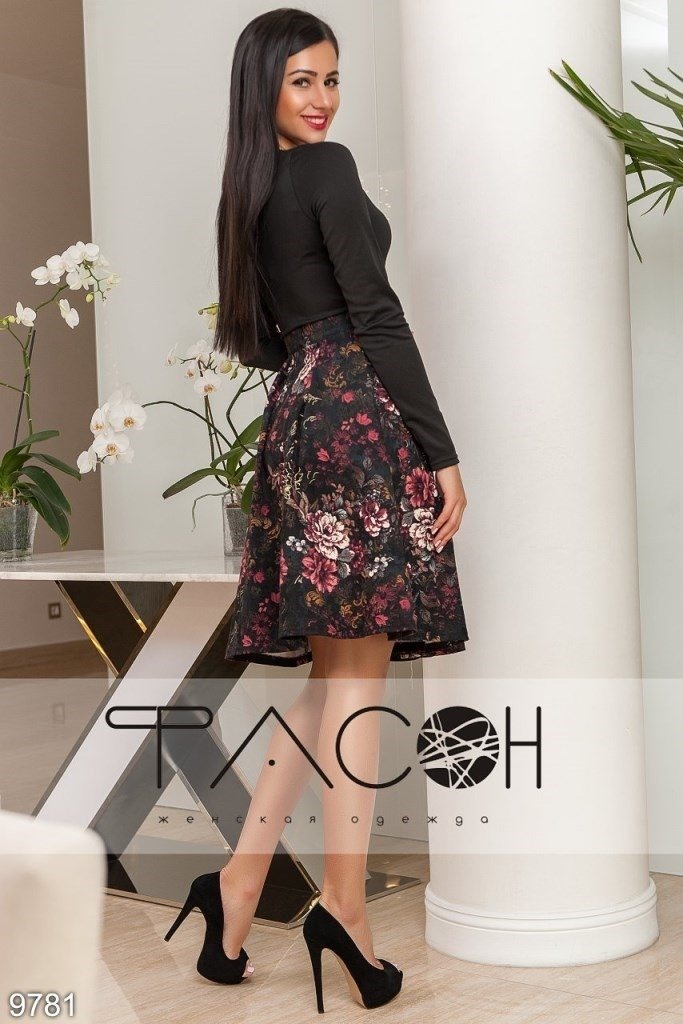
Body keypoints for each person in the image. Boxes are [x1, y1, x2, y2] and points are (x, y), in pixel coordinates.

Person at [164, 8, 468, 1011]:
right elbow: (375, 312)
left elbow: (260, 336)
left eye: (331, 79)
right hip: (356, 419)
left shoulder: (247, 190)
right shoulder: (326, 171)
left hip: (297, 415)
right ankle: (343, 907)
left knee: (334, 677)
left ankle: (236, 886)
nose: (323, 98)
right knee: (356, 678)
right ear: (264, 87)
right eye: (302, 80)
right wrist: (440, 451)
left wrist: (320, 366)